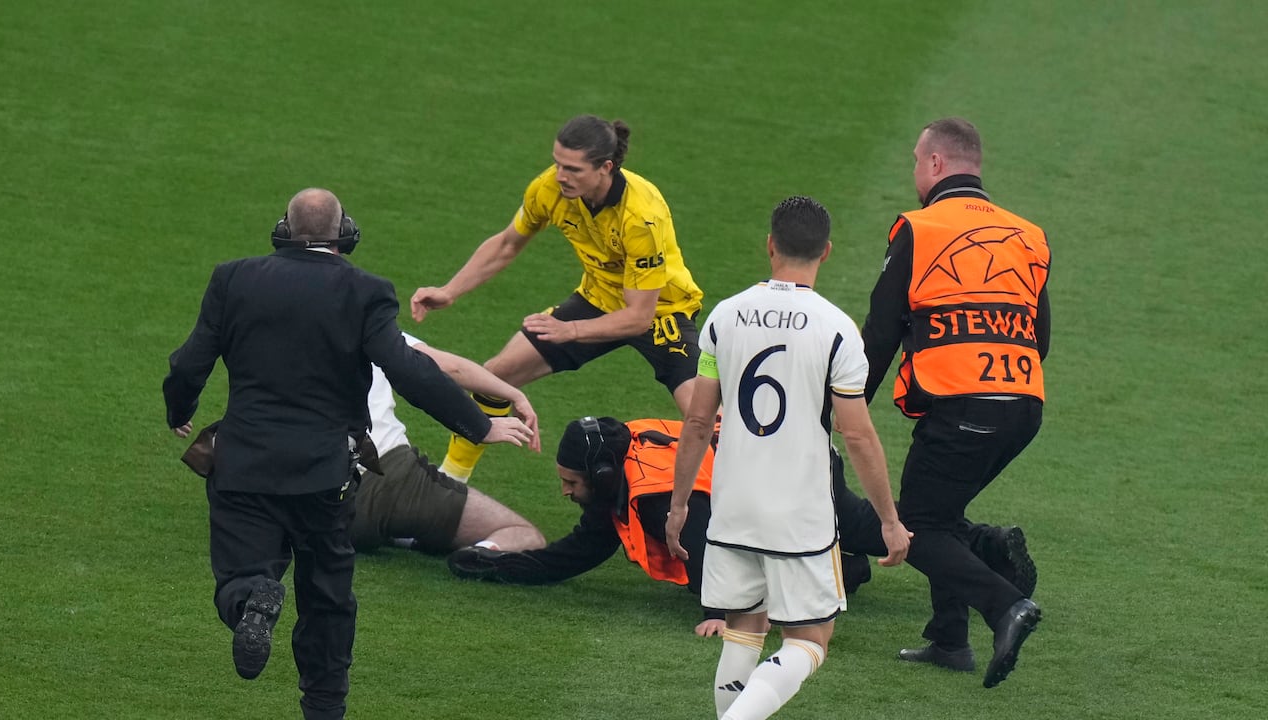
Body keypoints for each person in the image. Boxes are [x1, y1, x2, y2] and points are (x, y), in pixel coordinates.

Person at [162, 189, 534, 720]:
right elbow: (410, 371)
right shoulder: (366, 292)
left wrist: (180, 408)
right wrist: (479, 426)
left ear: (283, 231)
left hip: (243, 465)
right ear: (345, 235)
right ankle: (324, 707)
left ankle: (253, 600)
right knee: (328, 598)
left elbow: (189, 361)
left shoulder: (233, 279)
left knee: (240, 571)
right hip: (325, 476)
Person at [446, 416, 1036, 638]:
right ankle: (983, 546)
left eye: (572, 482)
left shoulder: (650, 490)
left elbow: (706, 545)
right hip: (791, 457)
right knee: (869, 531)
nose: (567, 491)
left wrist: (721, 613)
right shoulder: (628, 460)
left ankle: (848, 568)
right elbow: (577, 553)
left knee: (864, 537)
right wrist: (500, 568)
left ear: (600, 473)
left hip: (792, 473)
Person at [666, 196, 910, 720]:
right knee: (810, 639)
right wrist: (888, 520)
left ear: (770, 245)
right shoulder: (838, 329)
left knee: (743, 626)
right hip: (799, 515)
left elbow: (696, 421)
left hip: (733, 505)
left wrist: (680, 504)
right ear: (826, 251)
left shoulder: (724, 316)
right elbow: (859, 436)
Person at [861, 117, 1051, 688]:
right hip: (1023, 406)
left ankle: (1005, 605)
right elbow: (1040, 338)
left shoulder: (919, 229)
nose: (915, 173)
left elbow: (880, 331)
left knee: (915, 524)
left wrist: (843, 409)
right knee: (941, 512)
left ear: (937, 165)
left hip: (964, 404)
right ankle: (949, 639)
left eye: (917, 162)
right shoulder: (1029, 234)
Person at [409, 114, 704, 482]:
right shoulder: (549, 189)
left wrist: (571, 331)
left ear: (605, 168)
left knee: (702, 416)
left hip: (662, 311)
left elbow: (638, 317)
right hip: (598, 298)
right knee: (497, 375)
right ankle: (451, 481)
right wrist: (449, 290)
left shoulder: (641, 216)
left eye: (573, 169)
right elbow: (506, 244)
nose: (561, 175)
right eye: (558, 163)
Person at [352, 333, 546, 555]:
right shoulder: (369, 322)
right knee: (522, 533)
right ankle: (480, 554)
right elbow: (448, 369)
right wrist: (511, 398)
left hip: (314, 497)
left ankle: (401, 533)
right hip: (384, 480)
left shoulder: (306, 323)